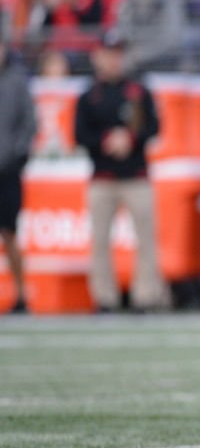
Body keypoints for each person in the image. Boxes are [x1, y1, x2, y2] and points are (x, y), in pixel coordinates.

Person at [73, 30, 163, 312]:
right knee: (100, 240)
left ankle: (145, 296)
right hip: (102, 176)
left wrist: (130, 139)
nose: (113, 60)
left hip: (136, 175)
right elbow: (79, 134)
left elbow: (154, 127)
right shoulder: (89, 95)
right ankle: (104, 297)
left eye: (117, 54)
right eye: (108, 54)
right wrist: (106, 141)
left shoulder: (138, 90)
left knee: (145, 238)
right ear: (97, 56)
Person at [0, 40, 36, 312]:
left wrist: (17, 155)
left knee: (10, 234)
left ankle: (21, 294)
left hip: (7, 169)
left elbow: (29, 122)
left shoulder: (16, 81)